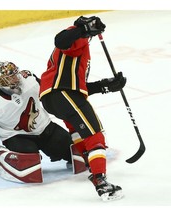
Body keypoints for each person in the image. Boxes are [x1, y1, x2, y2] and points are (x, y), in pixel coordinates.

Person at [0, 59, 126, 199]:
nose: (15, 79)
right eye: (9, 78)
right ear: (0, 82)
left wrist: (101, 86)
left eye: (15, 74)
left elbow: (63, 94)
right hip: (16, 136)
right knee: (30, 168)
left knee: (78, 156)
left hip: (44, 129)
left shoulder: (29, 79)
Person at [39, 15, 126, 201]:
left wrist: (106, 85)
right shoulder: (77, 39)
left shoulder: (78, 49)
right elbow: (60, 40)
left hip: (55, 98)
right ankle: (101, 182)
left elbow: (79, 86)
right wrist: (82, 29)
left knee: (79, 131)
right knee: (95, 133)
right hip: (62, 94)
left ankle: (91, 165)